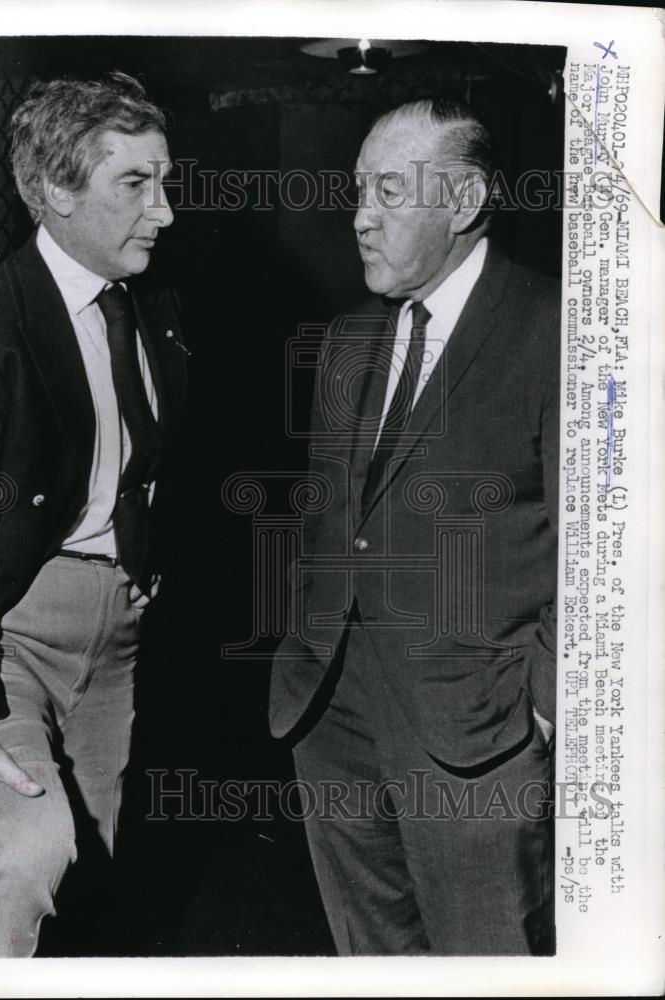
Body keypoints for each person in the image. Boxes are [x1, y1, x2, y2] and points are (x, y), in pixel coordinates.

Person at [270, 98, 559, 955]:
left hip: (478, 738)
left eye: (389, 191)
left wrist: (540, 712)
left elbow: (607, 552)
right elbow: (329, 519)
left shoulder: (562, 331)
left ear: (464, 203)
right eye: (359, 190)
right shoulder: (345, 336)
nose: (361, 217)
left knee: (487, 961)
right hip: (331, 718)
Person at [0, 72, 187, 956]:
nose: (163, 210)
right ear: (53, 192)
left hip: (116, 634)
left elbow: (159, 464)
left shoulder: (151, 304)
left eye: (164, 181)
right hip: (5, 634)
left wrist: (140, 570)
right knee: (25, 852)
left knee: (96, 865)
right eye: (135, 183)